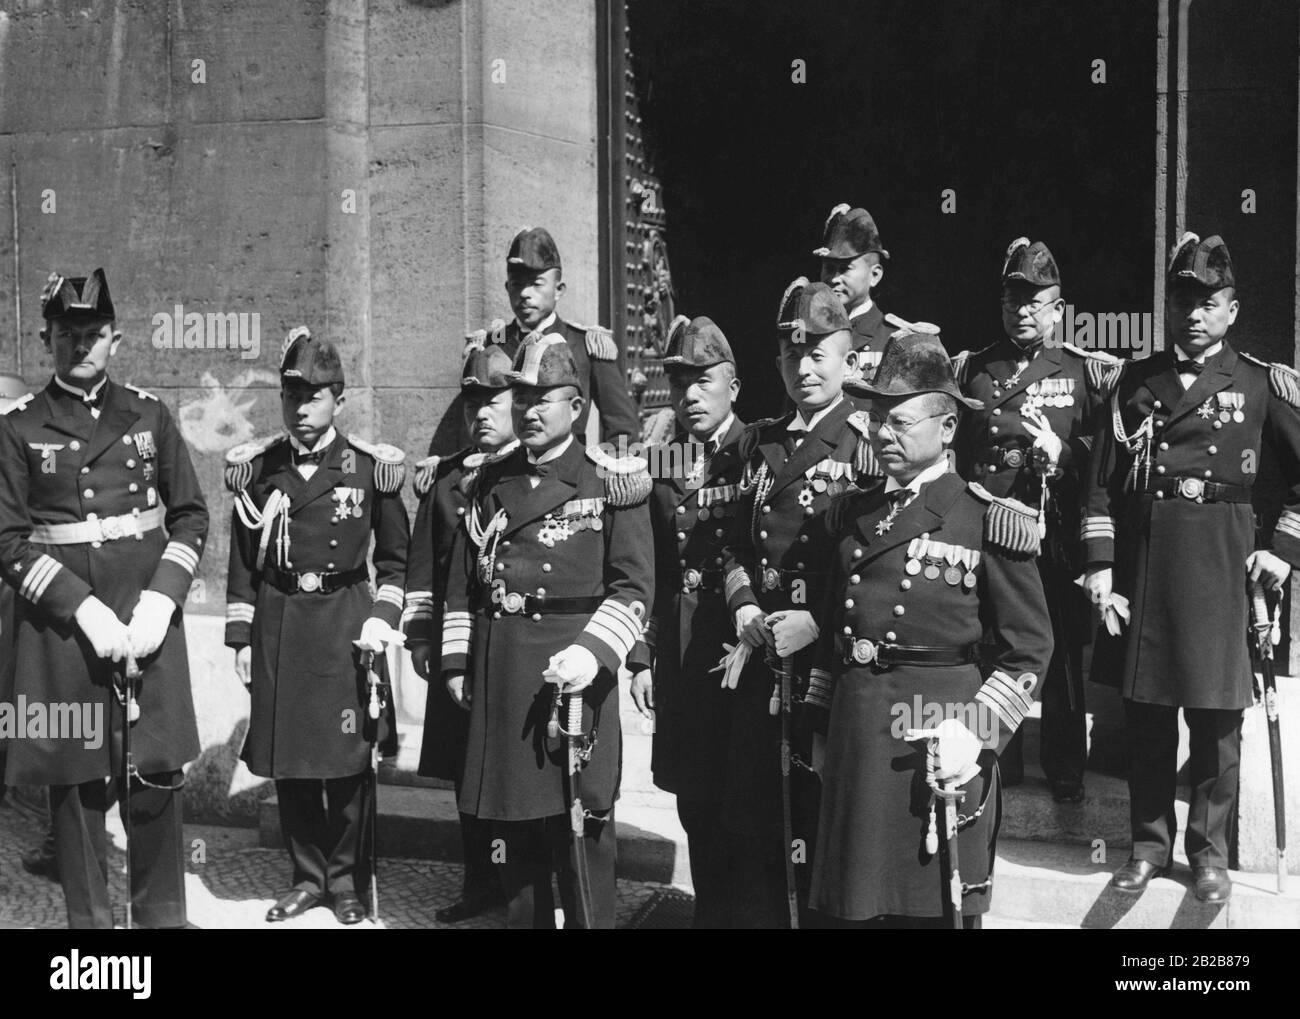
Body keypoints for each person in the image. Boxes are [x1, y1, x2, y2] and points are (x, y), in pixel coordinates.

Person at [806, 327, 1053, 928]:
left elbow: (1030, 650)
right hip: (858, 740)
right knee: (853, 908)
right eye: (877, 417)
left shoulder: (983, 518)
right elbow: (835, 629)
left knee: (932, 912)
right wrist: (819, 723)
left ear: (946, 428)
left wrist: (977, 732)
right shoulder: (850, 511)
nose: (882, 432)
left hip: (939, 742)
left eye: (901, 420)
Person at [1082, 233, 1300, 903]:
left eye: (1209, 302)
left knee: (1215, 717)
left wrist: (1283, 550)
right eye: (1183, 300)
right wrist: (1099, 564)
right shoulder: (1134, 382)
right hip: (1149, 559)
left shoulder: (1261, 383)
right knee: (1147, 712)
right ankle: (1148, 845)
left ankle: (1208, 853)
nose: (1194, 313)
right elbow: (1098, 484)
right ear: (1169, 305)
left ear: (1232, 310)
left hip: (1223, 557)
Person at [0, 269, 208, 928]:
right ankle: (92, 943)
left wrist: (162, 600)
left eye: (92, 334)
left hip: (148, 622)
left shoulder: (149, 413)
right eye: (67, 335)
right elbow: (5, 538)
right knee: (78, 792)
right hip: (64, 636)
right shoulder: (19, 427)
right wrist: (80, 606)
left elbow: (192, 516)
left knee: (156, 783)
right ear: (46, 340)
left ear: (114, 338)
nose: (80, 346)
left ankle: (161, 924)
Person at [440, 332, 653, 928]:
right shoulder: (486, 479)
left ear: (577, 407)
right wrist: (458, 662)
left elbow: (634, 587)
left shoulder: (610, 480)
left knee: (583, 832)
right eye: (522, 397)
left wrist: (594, 652)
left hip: (575, 679)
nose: (529, 410)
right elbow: (463, 580)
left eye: (544, 399)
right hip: (506, 671)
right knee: (516, 835)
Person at [224, 327, 410, 925]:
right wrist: (241, 637)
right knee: (294, 762)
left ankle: (347, 881)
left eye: (314, 397)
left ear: (338, 400)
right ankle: (306, 877)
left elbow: (397, 560)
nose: (301, 409)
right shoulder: (260, 469)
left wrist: (384, 617)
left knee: (349, 761)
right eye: (290, 396)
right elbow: (242, 562)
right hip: (281, 623)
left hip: (347, 627)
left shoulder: (367, 469)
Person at [719, 278, 875, 927]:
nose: (804, 367)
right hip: (760, 657)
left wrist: (816, 622)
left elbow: (880, 558)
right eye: (792, 355)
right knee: (757, 816)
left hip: (826, 668)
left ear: (847, 357)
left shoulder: (866, 443)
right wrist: (746, 609)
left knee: (818, 813)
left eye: (818, 354)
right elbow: (727, 541)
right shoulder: (760, 444)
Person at [953, 238, 1120, 800]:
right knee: (991, 642)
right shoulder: (973, 368)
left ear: (1057, 307)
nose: (1022, 311)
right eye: (1012, 299)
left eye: (1034, 301)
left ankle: (1066, 764)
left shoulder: (1081, 372)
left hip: (1051, 533)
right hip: (987, 528)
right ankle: (1000, 758)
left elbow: (1109, 451)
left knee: (1060, 649)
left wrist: (1067, 453)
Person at [627, 315, 746, 928]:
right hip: (677, 650)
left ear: (733, 385)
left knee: (739, 797)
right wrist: (642, 655)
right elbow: (647, 567)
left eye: (703, 381)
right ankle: (709, 913)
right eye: (679, 384)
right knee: (693, 798)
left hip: (738, 655)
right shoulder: (660, 461)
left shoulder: (760, 452)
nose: (689, 396)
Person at [403, 343, 518, 922]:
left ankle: (519, 884)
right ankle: (480, 884)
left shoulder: (530, 476)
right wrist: (422, 640)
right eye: (472, 402)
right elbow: (423, 567)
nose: (482, 414)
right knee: (464, 771)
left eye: (494, 400)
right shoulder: (447, 481)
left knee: (513, 766)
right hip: (458, 650)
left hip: (515, 648)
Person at [467, 226, 641, 442]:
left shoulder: (585, 345)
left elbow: (622, 426)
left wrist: (609, 471)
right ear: (506, 287)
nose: (525, 294)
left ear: (559, 289)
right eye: (516, 285)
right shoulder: (491, 345)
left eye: (536, 284)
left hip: (566, 473)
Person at [815, 204, 912, 381]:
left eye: (845, 269)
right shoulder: (810, 333)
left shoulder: (897, 340)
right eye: (829, 268)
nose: (834, 278)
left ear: (874, 275)